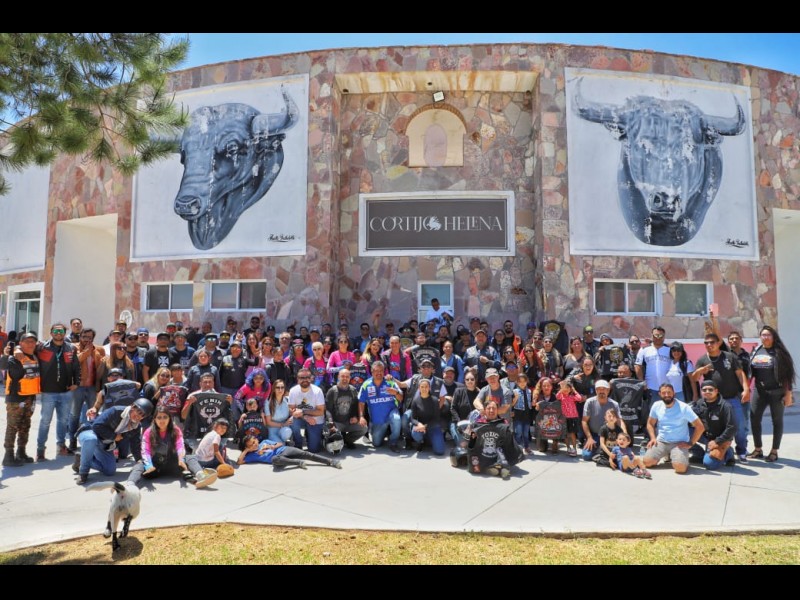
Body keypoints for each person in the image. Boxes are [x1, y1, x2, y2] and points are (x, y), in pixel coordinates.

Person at [693, 332, 750, 462]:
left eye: (712, 342)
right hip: (713, 401)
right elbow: (695, 378)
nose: (709, 345)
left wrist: (746, 389)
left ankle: (741, 451)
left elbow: (740, 374)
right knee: (715, 427)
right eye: (706, 343)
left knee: (740, 426)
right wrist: (700, 371)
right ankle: (722, 448)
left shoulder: (729, 356)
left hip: (732, 398)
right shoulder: (702, 360)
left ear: (718, 343)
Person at [127, 406, 217, 488]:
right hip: (154, 468)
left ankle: (201, 475)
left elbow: (180, 446)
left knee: (190, 457)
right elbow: (145, 450)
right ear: (154, 419)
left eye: (165, 417)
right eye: (159, 417)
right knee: (139, 465)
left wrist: (181, 459)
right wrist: (148, 465)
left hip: (173, 465)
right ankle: (130, 486)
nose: (162, 420)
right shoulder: (148, 432)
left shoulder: (175, 430)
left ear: (169, 419)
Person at [29, 323, 80, 461]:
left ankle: (61, 446)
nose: (58, 333)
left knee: (63, 421)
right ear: (51, 333)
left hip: (66, 391)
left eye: (61, 331)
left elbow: (76, 366)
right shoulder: (41, 347)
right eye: (56, 331)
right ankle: (40, 450)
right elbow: (25, 348)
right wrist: (15, 349)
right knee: (45, 421)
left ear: (65, 333)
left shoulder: (71, 348)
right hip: (48, 392)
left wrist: (76, 383)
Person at [73, 398, 152, 484]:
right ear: (133, 406)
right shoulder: (115, 411)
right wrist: (114, 436)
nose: (139, 416)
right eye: (139, 412)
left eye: (143, 415)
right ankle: (83, 473)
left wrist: (139, 461)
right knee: (91, 439)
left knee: (109, 471)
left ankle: (82, 458)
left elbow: (135, 445)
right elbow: (96, 426)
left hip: (105, 444)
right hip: (90, 432)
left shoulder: (136, 426)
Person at [747, 325, 796, 463]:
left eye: (768, 335)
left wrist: (788, 394)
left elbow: (788, 375)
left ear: (774, 337)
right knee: (754, 418)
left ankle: (774, 451)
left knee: (777, 421)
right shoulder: (756, 351)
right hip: (759, 391)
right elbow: (750, 371)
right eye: (763, 335)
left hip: (777, 392)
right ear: (760, 337)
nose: (766, 337)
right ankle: (758, 449)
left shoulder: (780, 352)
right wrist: (746, 388)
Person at [642, 383, 705, 474]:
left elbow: (700, 427)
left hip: (679, 443)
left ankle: (678, 457)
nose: (667, 395)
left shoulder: (684, 407)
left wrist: (691, 443)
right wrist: (652, 438)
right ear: (659, 394)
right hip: (662, 441)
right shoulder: (656, 405)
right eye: (664, 393)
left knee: (680, 469)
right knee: (647, 462)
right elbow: (650, 423)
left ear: (674, 393)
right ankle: (668, 454)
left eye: (669, 392)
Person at [2, 332, 41, 466]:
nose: (30, 344)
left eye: (33, 341)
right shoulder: (14, 358)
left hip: (30, 397)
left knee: (25, 426)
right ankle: (8, 456)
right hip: (16, 398)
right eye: (27, 341)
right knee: (13, 427)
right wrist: (9, 353)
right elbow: (3, 365)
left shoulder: (35, 356)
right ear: (21, 343)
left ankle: (21, 452)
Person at [68, 328, 105, 452]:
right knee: (74, 414)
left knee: (93, 414)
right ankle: (72, 441)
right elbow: (74, 362)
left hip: (92, 387)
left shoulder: (99, 349)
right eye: (84, 336)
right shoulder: (73, 347)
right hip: (77, 386)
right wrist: (86, 352)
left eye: (89, 337)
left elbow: (102, 367)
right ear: (80, 337)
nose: (86, 339)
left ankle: (94, 440)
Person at [466, 399, 522, 479]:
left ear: (497, 410)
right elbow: (471, 445)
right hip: (482, 456)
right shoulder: (477, 425)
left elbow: (509, 444)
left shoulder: (504, 424)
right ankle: (497, 468)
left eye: (494, 408)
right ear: (485, 410)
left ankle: (500, 465)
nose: (491, 410)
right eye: (489, 408)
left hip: (498, 455)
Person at [689, 381, 736, 469]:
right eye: (704, 390)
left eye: (710, 389)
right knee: (682, 433)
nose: (707, 392)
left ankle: (728, 452)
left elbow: (732, 427)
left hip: (720, 439)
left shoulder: (726, 406)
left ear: (716, 391)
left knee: (709, 464)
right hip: (705, 436)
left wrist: (717, 441)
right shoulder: (699, 403)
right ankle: (699, 455)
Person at [358, 361, 403, 451]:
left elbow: (401, 398)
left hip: (391, 413)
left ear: (384, 371)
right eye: (376, 371)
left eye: (381, 370)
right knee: (376, 443)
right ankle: (383, 432)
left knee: (397, 419)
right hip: (378, 420)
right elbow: (361, 402)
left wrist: (396, 393)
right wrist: (361, 416)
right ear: (372, 371)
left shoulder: (390, 382)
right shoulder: (366, 384)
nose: (379, 373)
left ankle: (393, 442)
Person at [635, 326, 671, 437]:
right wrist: (642, 382)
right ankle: (650, 437)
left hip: (667, 388)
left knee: (667, 413)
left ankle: (665, 436)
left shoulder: (669, 350)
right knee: (651, 413)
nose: (658, 337)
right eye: (656, 335)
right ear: (652, 336)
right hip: (651, 387)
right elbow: (637, 365)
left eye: (660, 335)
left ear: (664, 337)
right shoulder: (644, 350)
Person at [237, 434, 342, 470]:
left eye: (254, 441)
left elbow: (280, 444)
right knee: (274, 459)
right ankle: (298, 462)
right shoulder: (252, 455)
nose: (254, 445)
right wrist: (246, 450)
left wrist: (273, 446)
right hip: (279, 459)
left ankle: (330, 461)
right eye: (250, 445)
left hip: (284, 450)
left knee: (306, 454)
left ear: (256, 439)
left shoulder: (264, 442)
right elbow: (239, 462)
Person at [580, 379, 626, 461]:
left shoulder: (614, 404)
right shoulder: (589, 402)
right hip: (594, 434)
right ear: (596, 390)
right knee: (586, 456)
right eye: (599, 389)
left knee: (621, 455)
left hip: (611, 435)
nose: (601, 391)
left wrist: (624, 435)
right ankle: (600, 450)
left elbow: (619, 420)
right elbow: (584, 421)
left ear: (608, 391)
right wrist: (589, 438)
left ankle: (601, 451)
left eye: (604, 389)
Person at [325, 368, 368, 448]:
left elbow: (355, 406)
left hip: (348, 422)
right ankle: (338, 438)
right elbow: (327, 410)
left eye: (347, 376)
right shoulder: (332, 391)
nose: (345, 378)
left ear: (350, 378)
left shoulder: (353, 390)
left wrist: (355, 417)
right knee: (332, 441)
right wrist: (331, 423)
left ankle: (347, 440)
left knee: (364, 428)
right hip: (336, 423)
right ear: (338, 377)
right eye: (342, 376)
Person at [288, 368, 326, 452]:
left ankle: (312, 435)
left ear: (311, 378)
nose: (305, 380)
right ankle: (298, 444)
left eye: (307, 377)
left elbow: (321, 411)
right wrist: (305, 416)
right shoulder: (293, 391)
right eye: (302, 378)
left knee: (314, 449)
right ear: (297, 379)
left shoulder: (317, 391)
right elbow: (291, 410)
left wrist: (303, 412)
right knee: (292, 421)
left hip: (315, 420)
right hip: (300, 418)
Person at [408, 378, 448, 455]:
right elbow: (413, 418)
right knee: (415, 433)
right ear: (419, 388)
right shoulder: (415, 400)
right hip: (420, 426)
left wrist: (425, 426)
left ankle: (428, 439)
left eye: (426, 387)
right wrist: (419, 424)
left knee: (440, 452)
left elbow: (436, 418)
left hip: (433, 425)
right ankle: (420, 441)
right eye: (422, 387)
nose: (424, 389)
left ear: (429, 388)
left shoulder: (435, 400)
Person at [608, 364, 647, 439]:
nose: (621, 374)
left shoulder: (637, 383)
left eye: (624, 372)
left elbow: (645, 393)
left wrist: (644, 386)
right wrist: (609, 385)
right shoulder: (613, 382)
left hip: (631, 414)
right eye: (619, 372)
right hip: (617, 414)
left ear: (630, 373)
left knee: (629, 437)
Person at [533, 377, 564, 454]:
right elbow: (534, 411)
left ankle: (555, 442)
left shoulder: (556, 397)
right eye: (544, 386)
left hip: (553, 420)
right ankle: (542, 441)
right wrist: (536, 408)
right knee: (542, 449)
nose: (546, 387)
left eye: (548, 385)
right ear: (541, 387)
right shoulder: (538, 397)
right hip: (542, 421)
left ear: (551, 386)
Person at [556, 379, 581, 457]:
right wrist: (561, 389)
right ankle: (568, 448)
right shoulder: (561, 396)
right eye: (564, 388)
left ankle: (574, 448)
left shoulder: (572, 397)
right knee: (566, 434)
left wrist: (574, 390)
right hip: (564, 418)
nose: (566, 389)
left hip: (572, 417)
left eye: (567, 387)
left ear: (570, 389)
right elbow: (557, 396)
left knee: (572, 433)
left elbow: (579, 398)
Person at [510, 373, 534, 455]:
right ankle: (517, 448)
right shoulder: (514, 391)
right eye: (520, 381)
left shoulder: (529, 391)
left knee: (526, 433)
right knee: (518, 433)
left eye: (524, 381)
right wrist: (515, 399)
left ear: (527, 381)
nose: (522, 383)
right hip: (518, 415)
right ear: (517, 382)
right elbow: (511, 404)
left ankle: (526, 447)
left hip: (527, 415)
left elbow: (530, 403)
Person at [265, 379, 293, 443]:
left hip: (284, 428)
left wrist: (292, 414)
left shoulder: (287, 400)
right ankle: (283, 443)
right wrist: (283, 424)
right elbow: (268, 422)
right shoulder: (268, 402)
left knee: (287, 432)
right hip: (273, 428)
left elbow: (293, 413)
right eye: (278, 387)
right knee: (280, 446)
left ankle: (285, 441)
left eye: (282, 387)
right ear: (274, 389)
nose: (280, 390)